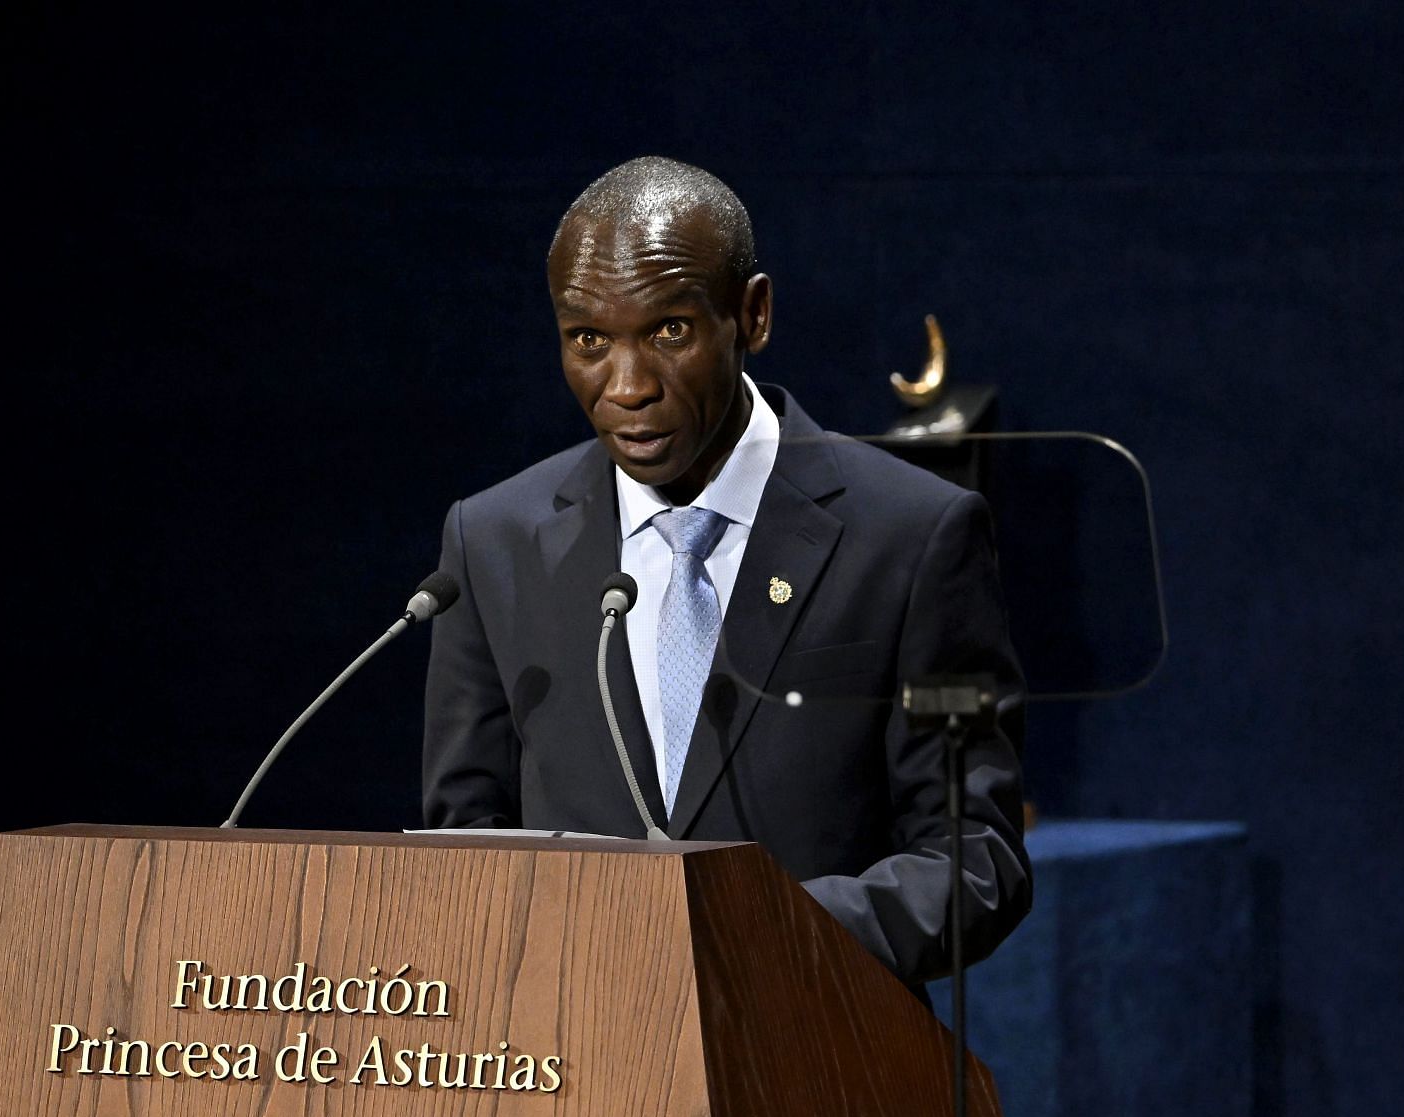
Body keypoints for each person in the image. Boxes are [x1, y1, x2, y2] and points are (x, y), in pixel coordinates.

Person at [422, 155, 1029, 989]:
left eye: (668, 331)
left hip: (817, 1061)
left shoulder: (911, 534)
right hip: (574, 1078)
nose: (627, 387)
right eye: (588, 341)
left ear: (752, 314)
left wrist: (755, 938)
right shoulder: (492, 543)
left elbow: (976, 861)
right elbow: (465, 844)